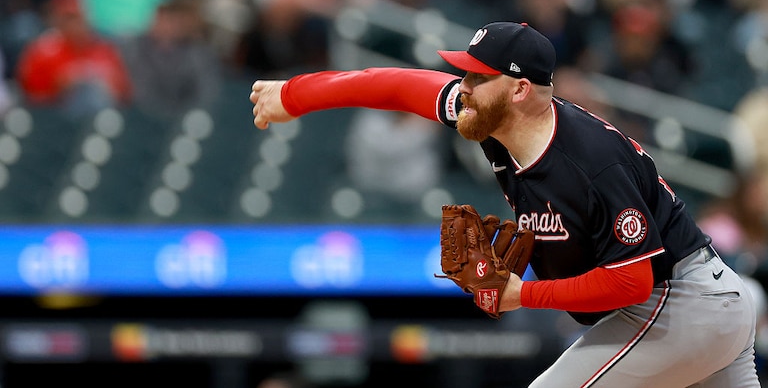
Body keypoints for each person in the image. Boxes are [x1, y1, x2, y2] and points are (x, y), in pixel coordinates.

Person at [250, 21, 760, 387]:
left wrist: (523, 296)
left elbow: (632, 281)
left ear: (519, 88)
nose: (462, 87)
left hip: (682, 303)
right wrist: (294, 95)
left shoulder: (588, 161)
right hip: (699, 308)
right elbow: (395, 86)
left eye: (476, 77)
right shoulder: (490, 118)